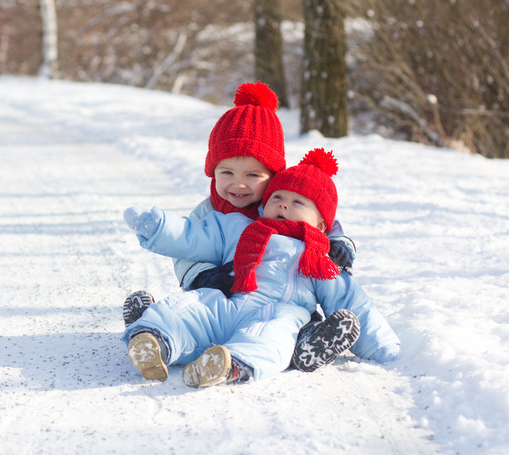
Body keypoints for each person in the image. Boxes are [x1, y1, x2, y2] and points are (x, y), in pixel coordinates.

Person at [122, 81, 358, 372]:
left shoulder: (278, 205)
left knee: (282, 323)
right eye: (227, 172)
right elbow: (185, 245)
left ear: (273, 175)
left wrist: (337, 241)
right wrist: (203, 277)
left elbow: (315, 218)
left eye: (253, 174)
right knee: (190, 308)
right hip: (218, 291)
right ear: (213, 171)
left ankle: (306, 344)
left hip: (271, 300)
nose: (238, 184)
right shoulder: (208, 211)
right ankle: (151, 328)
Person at [122, 148, 400, 387]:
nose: (283, 205)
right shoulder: (239, 226)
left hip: (277, 310)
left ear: (321, 225)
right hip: (231, 299)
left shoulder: (318, 257)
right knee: (189, 306)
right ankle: (154, 339)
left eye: (297, 203)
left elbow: (352, 299)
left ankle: (229, 365)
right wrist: (157, 226)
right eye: (277, 197)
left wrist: (380, 345)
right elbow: (195, 235)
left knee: (275, 336)